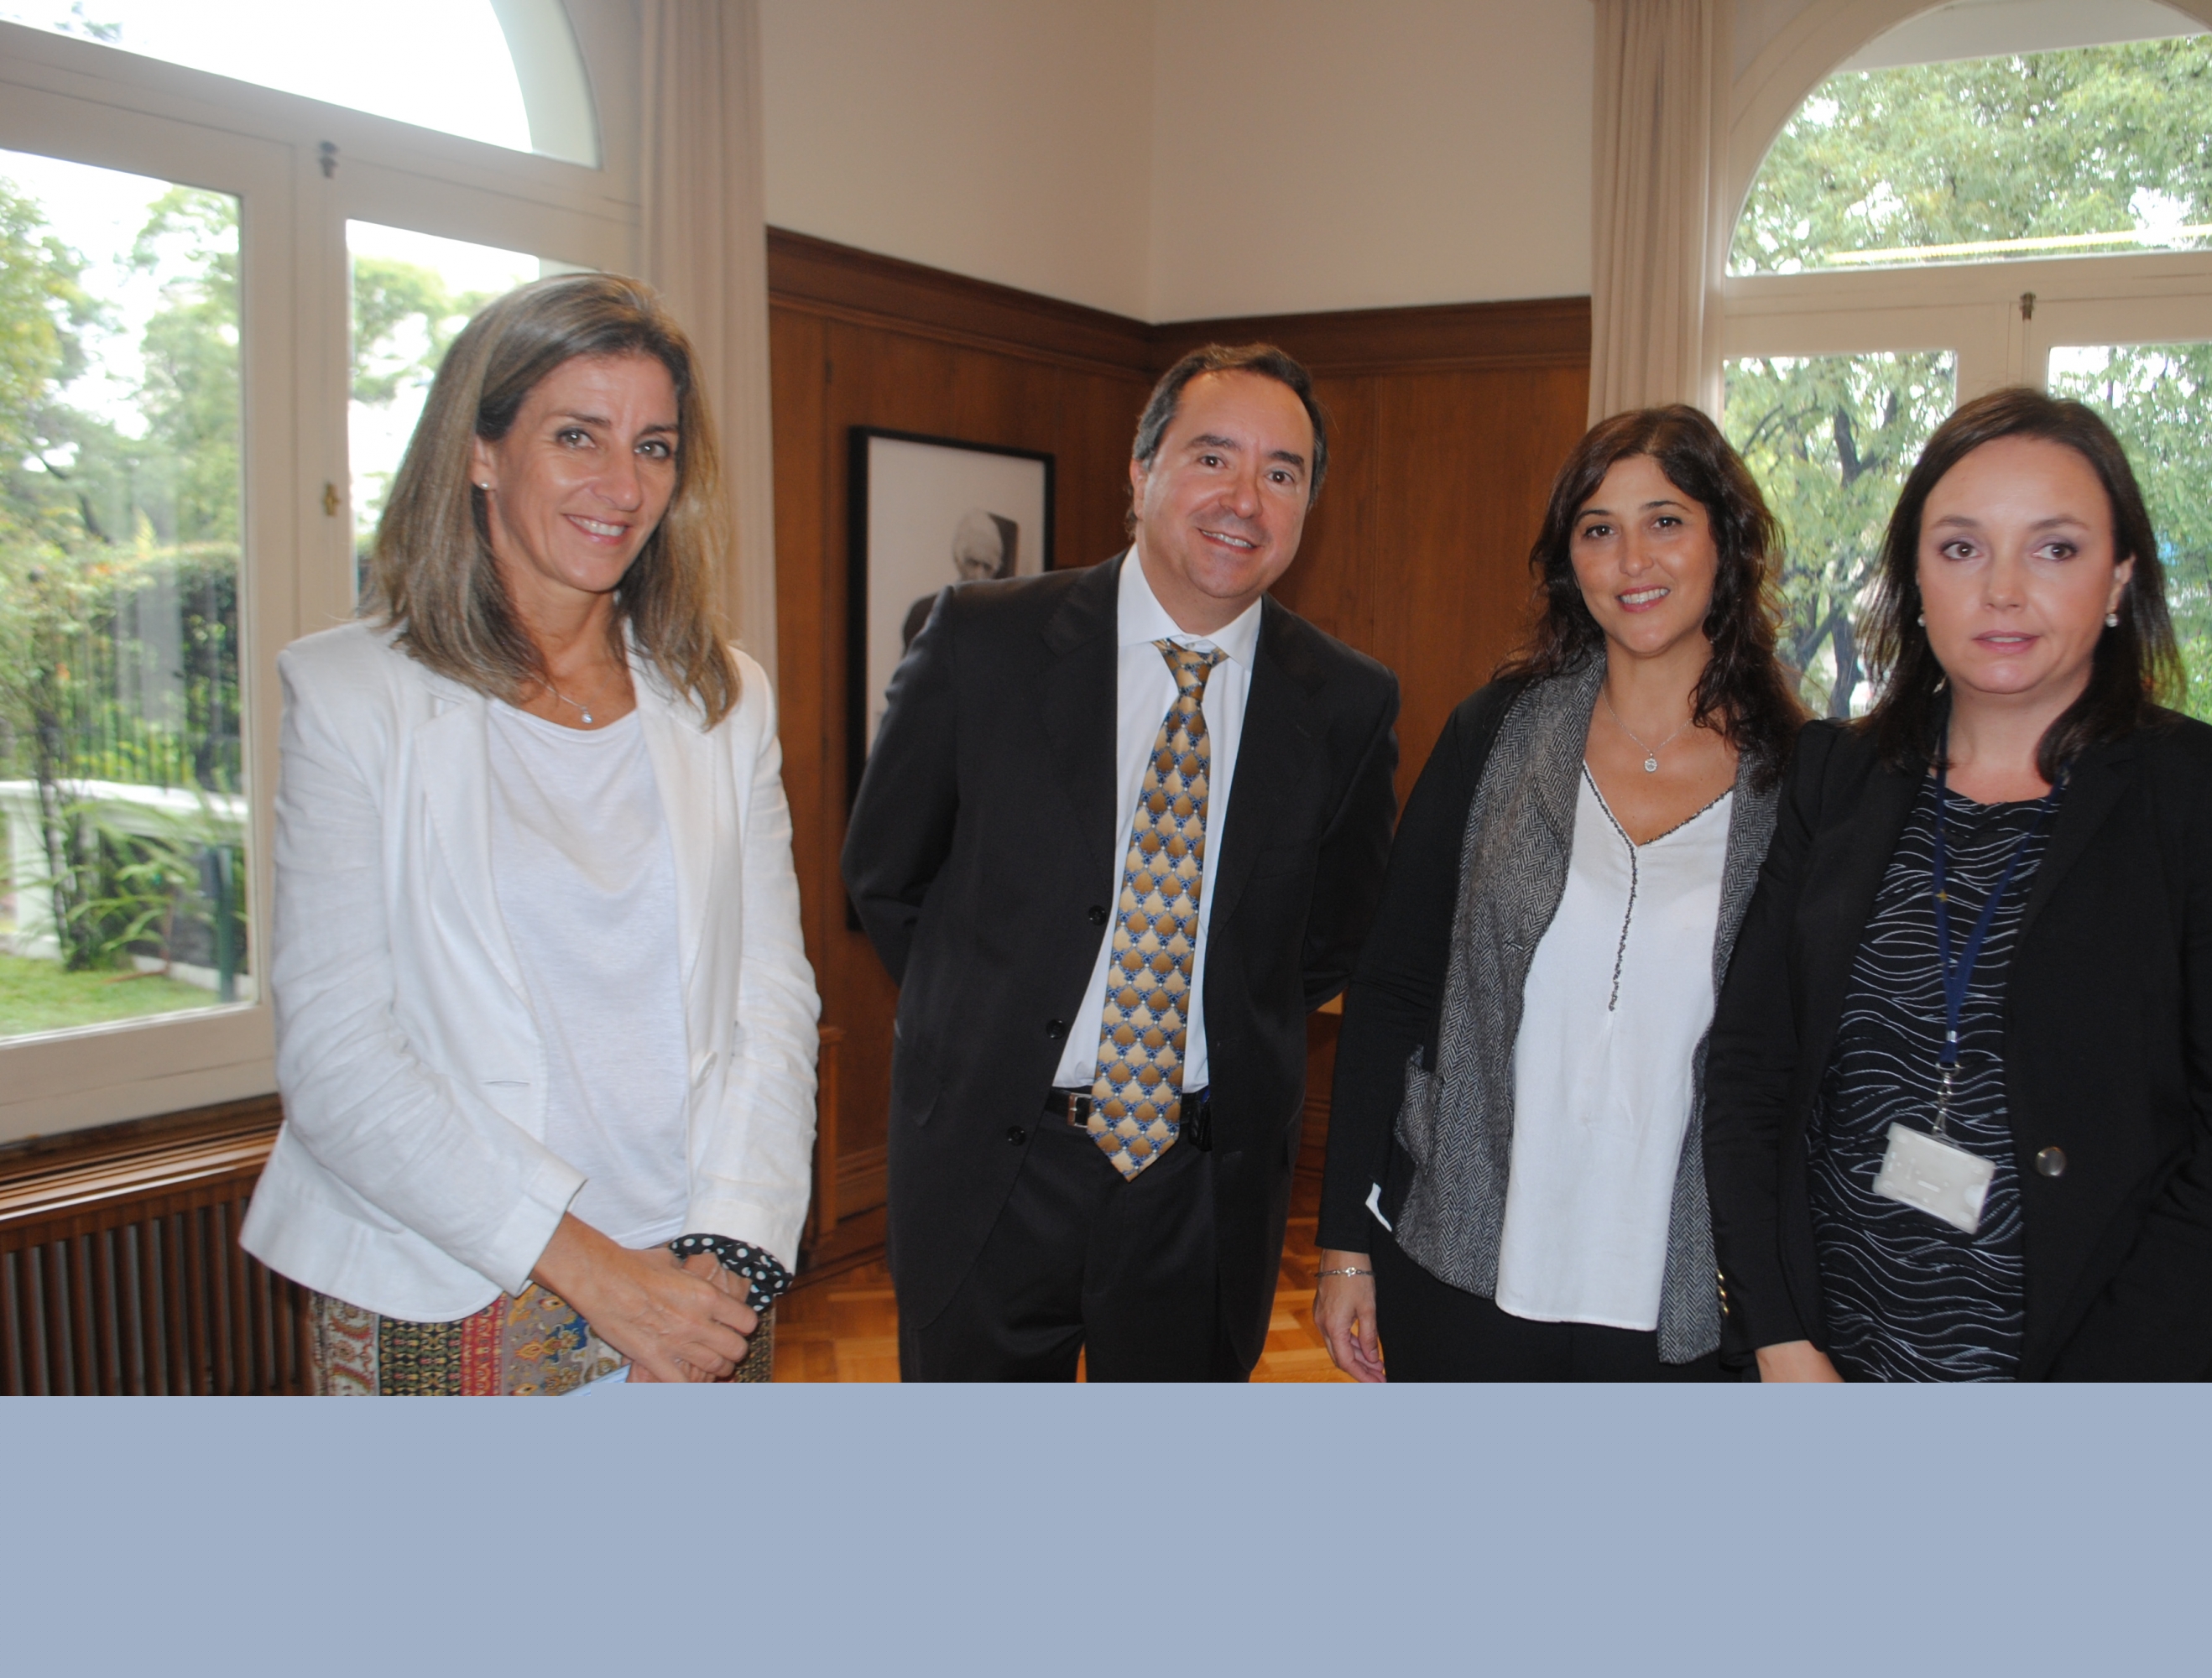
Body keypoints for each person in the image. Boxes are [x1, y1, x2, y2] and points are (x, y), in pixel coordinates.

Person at [240, 274, 821, 1393]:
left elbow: (771, 1002)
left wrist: (736, 1246)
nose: (622, 485)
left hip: (700, 1273)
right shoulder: (352, 696)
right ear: (481, 450)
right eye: (576, 436)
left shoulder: (722, 697)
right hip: (455, 1277)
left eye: (655, 447)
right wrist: (601, 1278)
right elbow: (340, 1060)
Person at [1702, 386, 2212, 1383]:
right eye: (1960, 548)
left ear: (2118, 579)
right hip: (1824, 1357)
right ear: (1913, 579)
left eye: (2055, 548)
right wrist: (1780, 1335)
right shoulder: (1835, 774)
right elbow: (1748, 1067)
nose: (2002, 590)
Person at [842, 343, 1400, 1381]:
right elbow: (887, 874)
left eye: (1283, 472)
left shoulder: (1347, 704)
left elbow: (1328, 941)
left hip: (1202, 1188)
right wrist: (992, 1019)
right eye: (1212, 457)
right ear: (1139, 474)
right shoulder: (980, 642)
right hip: (992, 1164)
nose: (1246, 497)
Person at [1313, 406, 1804, 1381]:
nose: (1632, 558)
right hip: (1465, 1261)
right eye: (1597, 528)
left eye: (1665, 519)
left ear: (1728, 542)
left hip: (1690, 1297)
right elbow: (1392, 987)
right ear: (1567, 561)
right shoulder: (1492, 734)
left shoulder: (1801, 780)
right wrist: (1343, 1241)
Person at [901, 507, 1017, 652]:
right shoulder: (922, 613)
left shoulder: (1000, 624)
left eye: (987, 566)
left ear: (995, 570)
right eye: (973, 563)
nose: (979, 576)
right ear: (958, 560)